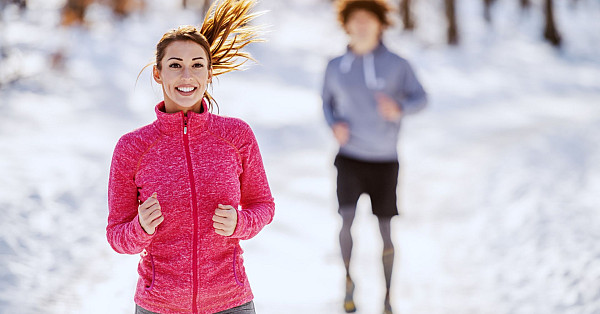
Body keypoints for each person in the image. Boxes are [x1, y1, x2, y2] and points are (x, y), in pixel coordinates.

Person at [106, 1, 274, 313]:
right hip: (159, 306)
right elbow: (117, 234)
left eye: (197, 65)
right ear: (158, 74)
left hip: (230, 303)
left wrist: (241, 222)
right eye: (175, 65)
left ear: (209, 73)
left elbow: (263, 205)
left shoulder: (236, 136)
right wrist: (139, 228)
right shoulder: (132, 148)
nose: (187, 75)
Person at [322, 1, 427, 313]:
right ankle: (348, 285)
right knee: (346, 222)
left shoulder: (398, 64)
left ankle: (387, 297)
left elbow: (422, 98)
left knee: (385, 231)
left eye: (369, 19)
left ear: (381, 24)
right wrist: (333, 125)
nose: (362, 25)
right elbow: (325, 102)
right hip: (349, 157)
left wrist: (399, 109)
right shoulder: (335, 65)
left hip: (384, 159)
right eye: (356, 20)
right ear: (347, 25)